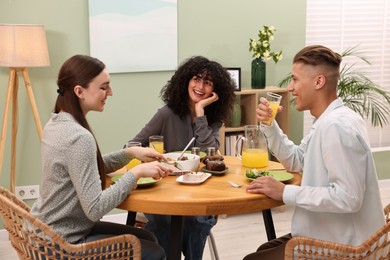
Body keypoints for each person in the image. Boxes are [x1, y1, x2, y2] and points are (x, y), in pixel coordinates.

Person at [243, 45, 385, 260]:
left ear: (319, 82)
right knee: (263, 251)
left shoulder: (336, 127)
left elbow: (348, 198)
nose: (290, 88)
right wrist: (270, 125)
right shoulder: (328, 120)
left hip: (347, 248)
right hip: (328, 232)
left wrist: (284, 193)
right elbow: (298, 160)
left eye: (295, 79)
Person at [30, 55, 175, 260]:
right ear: (79, 91)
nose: (110, 92)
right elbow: (94, 209)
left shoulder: (56, 122)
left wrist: (129, 153)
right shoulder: (79, 137)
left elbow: (83, 169)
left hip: (45, 232)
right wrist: (135, 173)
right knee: (155, 252)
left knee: (147, 237)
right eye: (104, 87)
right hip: (62, 244)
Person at [128, 55, 236, 259]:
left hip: (199, 190)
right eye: (196, 78)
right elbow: (132, 146)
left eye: (207, 82)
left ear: (214, 90)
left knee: (198, 220)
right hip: (163, 190)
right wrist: (149, 159)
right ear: (186, 80)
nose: (200, 86)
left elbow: (211, 152)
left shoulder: (212, 119)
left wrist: (200, 112)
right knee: (163, 221)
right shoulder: (166, 114)